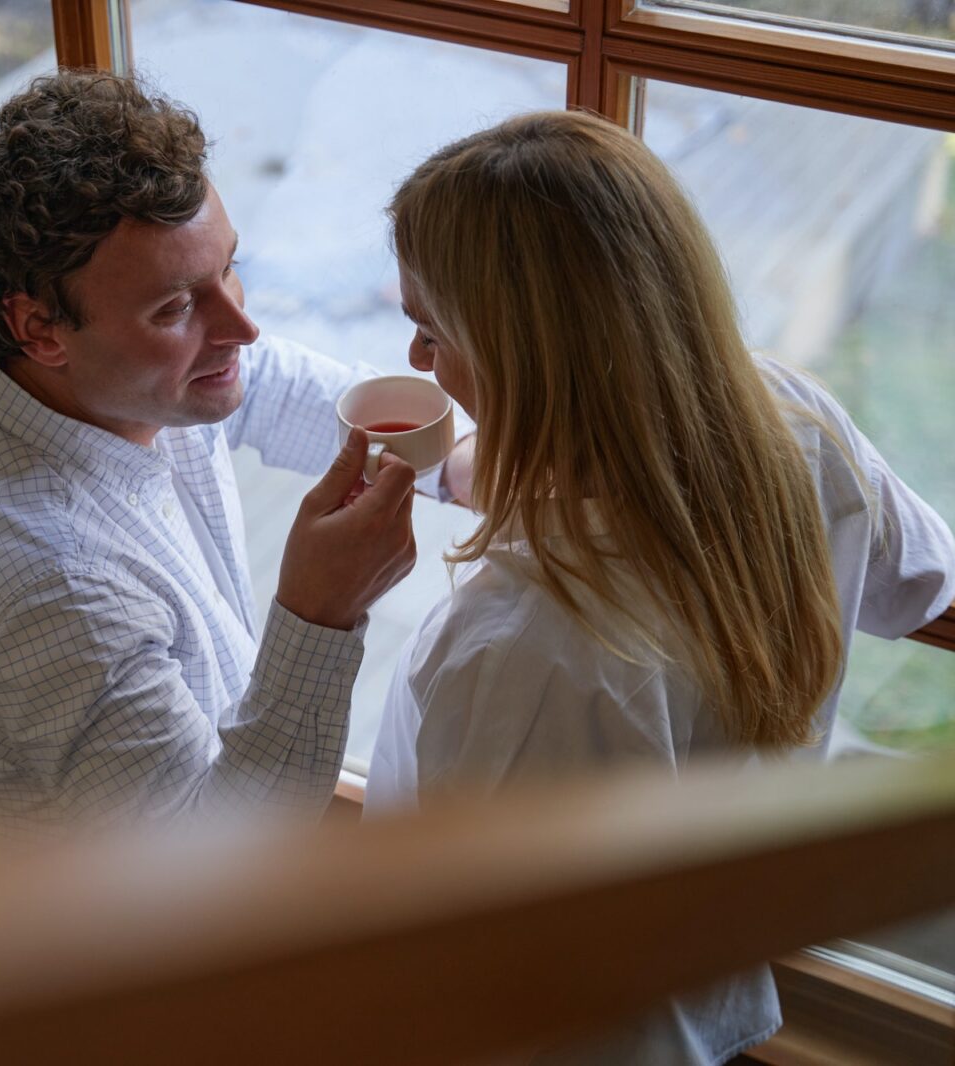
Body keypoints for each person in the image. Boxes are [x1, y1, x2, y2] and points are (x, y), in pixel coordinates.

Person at [366, 110, 955, 1064]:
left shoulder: (517, 649)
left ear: (531, 356)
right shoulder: (796, 425)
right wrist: (508, 467)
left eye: (431, 331)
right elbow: (918, 583)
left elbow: (499, 971)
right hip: (705, 975)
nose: (417, 364)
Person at [0, 71, 419, 862]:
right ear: (40, 329)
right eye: (175, 309)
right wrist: (319, 613)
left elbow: (252, 377)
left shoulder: (51, 363)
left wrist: (458, 458)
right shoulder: (53, 590)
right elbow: (213, 868)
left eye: (228, 267)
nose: (243, 324)